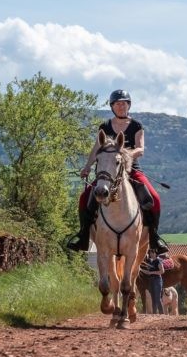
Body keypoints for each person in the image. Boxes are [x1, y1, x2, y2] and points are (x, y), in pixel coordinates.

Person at [67, 89, 169, 254]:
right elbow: (96, 149)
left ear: (129, 105)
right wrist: (87, 166)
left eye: (124, 103)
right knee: (84, 198)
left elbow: (140, 149)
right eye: (117, 104)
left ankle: (154, 238)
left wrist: (123, 155)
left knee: (155, 198)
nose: (121, 106)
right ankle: (83, 235)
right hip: (107, 170)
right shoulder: (105, 126)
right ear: (112, 106)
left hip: (131, 169)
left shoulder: (136, 125)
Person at [139, 249, 165, 314]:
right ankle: (154, 313)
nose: (150, 254)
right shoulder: (151, 262)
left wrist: (152, 272)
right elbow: (148, 272)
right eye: (150, 253)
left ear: (155, 253)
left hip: (157, 280)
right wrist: (140, 270)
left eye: (152, 253)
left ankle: (162, 313)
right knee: (153, 298)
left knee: (158, 298)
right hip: (152, 281)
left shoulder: (158, 261)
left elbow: (162, 271)